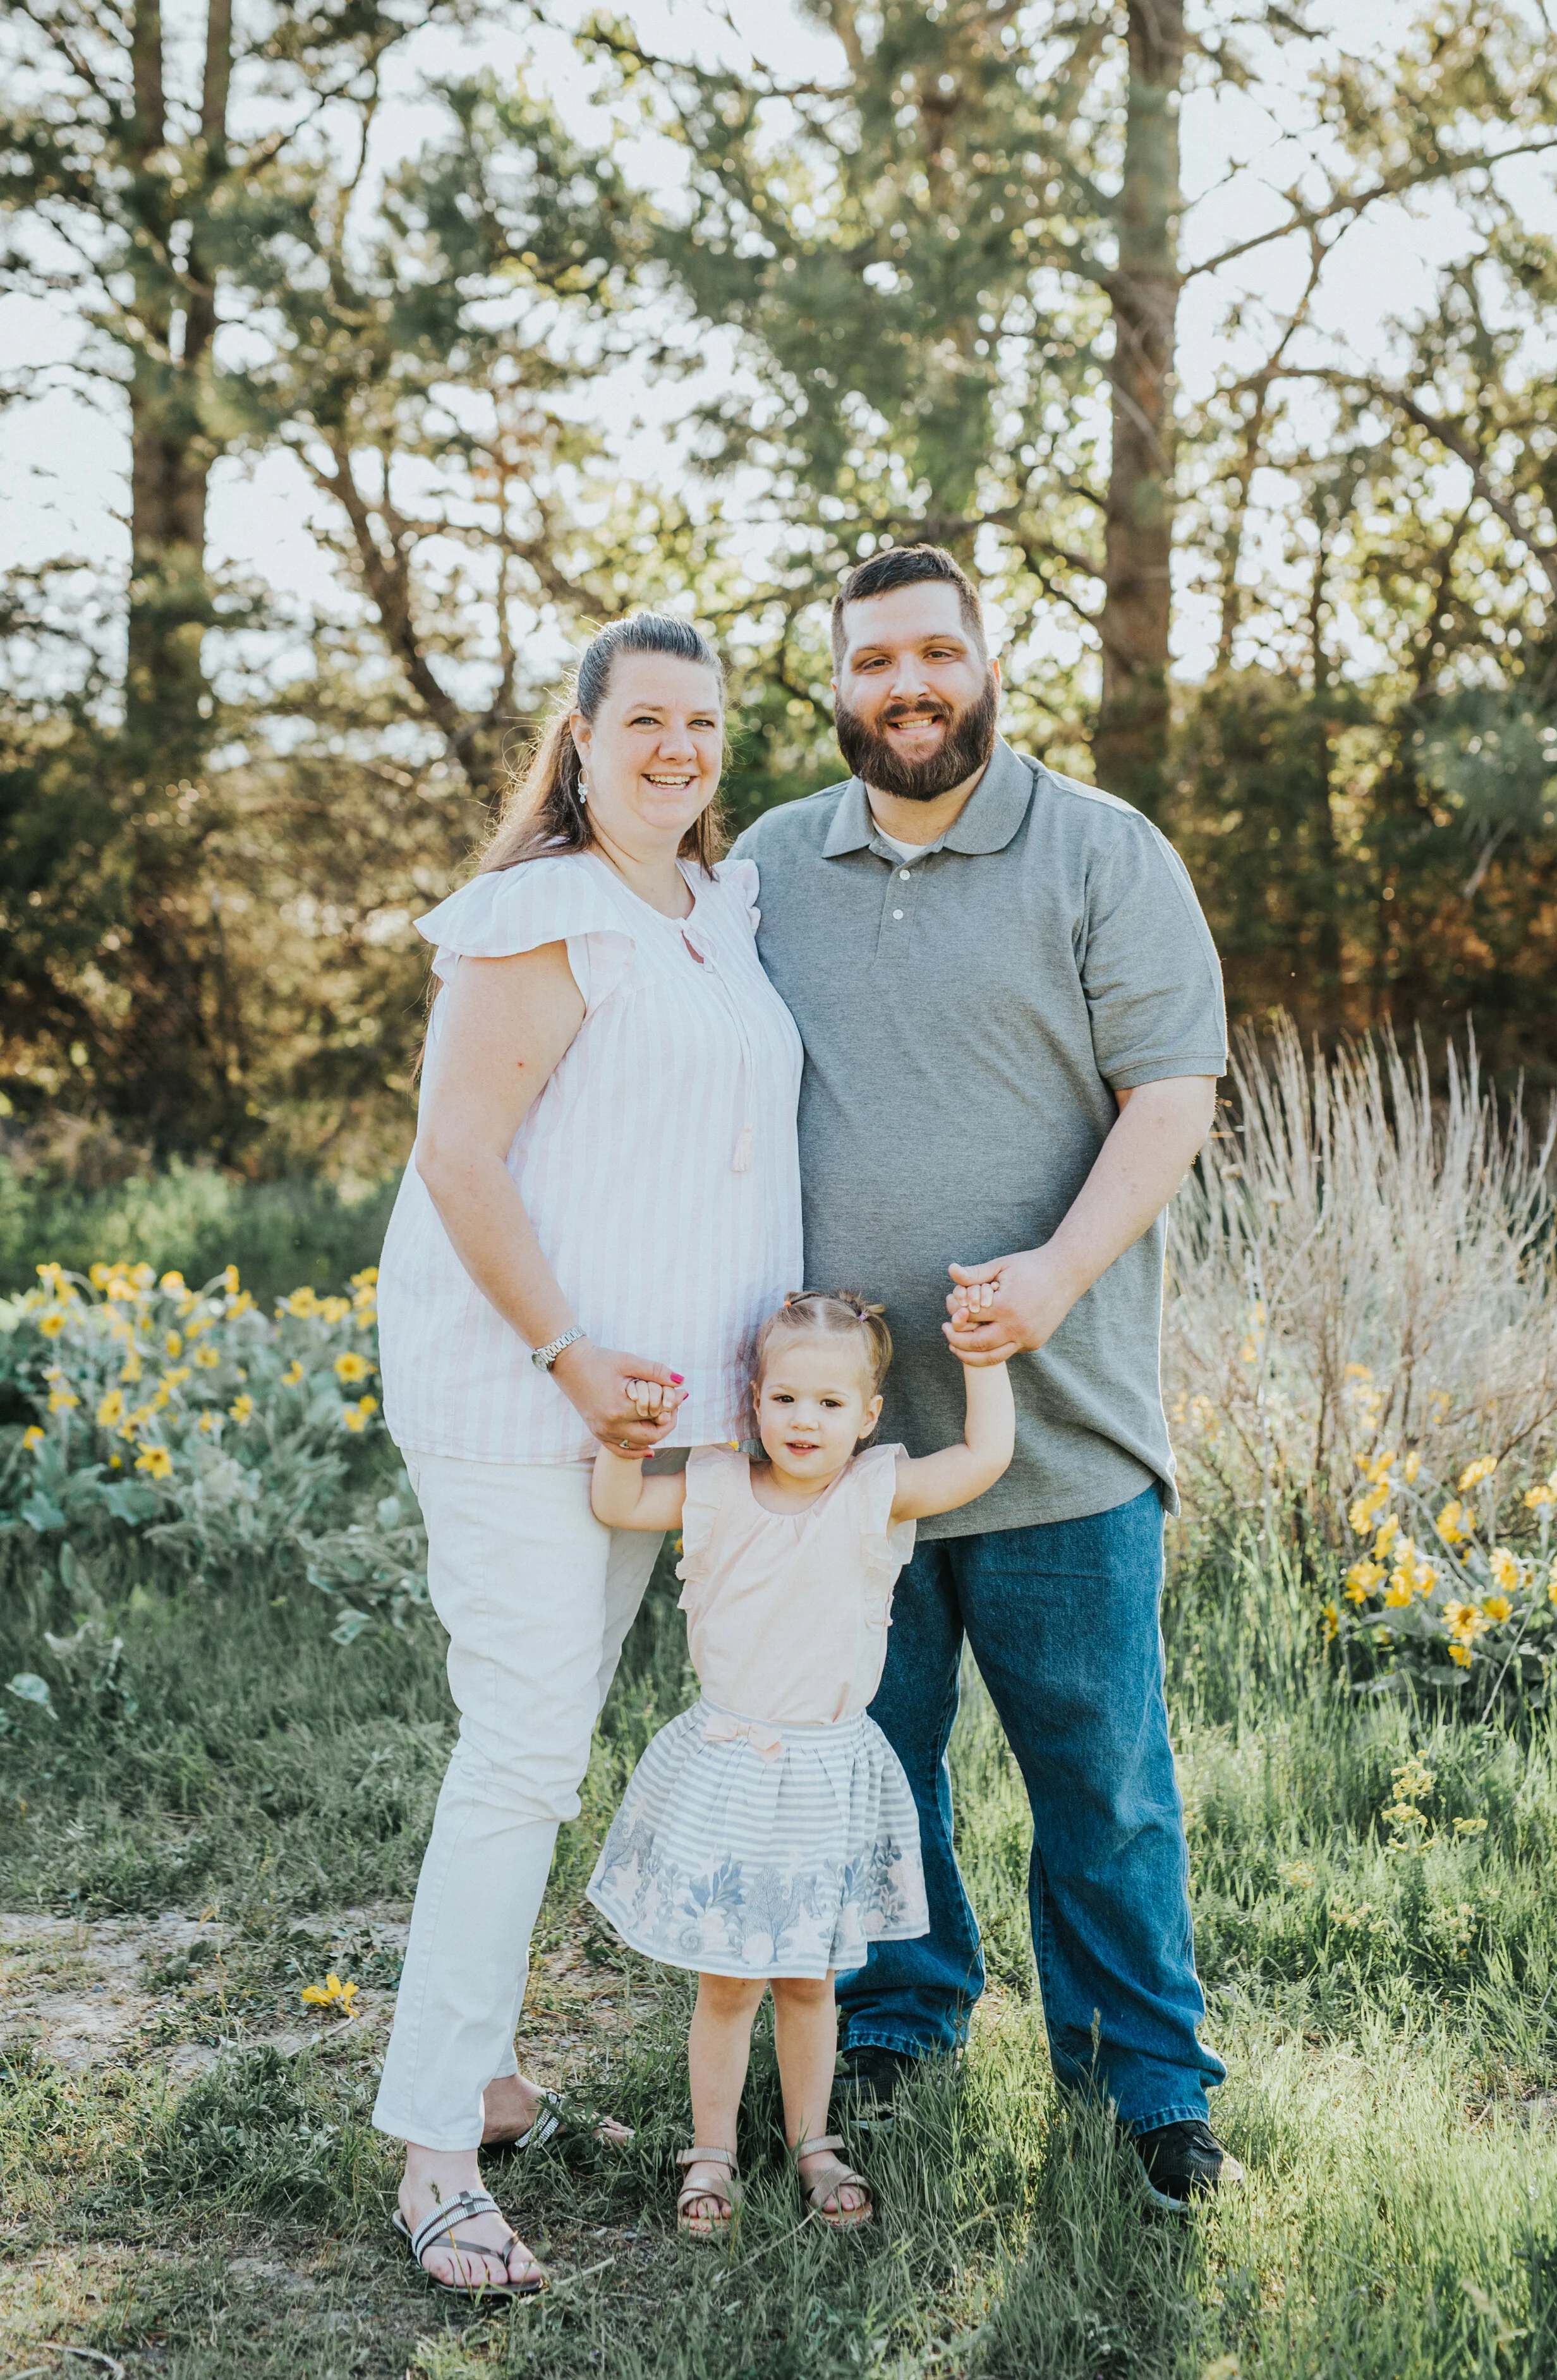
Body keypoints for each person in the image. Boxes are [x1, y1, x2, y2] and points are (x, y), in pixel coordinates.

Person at [733, 545, 1240, 2214]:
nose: (908, 685)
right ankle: (898, 2018)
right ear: (835, 686)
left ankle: (1143, 2076)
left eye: (935, 652)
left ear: (985, 662)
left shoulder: (1101, 849)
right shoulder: (767, 864)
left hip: (1059, 1424)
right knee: (869, 1762)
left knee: (1100, 1776)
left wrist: (1054, 1275)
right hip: (833, 1450)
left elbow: (1169, 1093)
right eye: (875, 660)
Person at [372, 613, 803, 2295]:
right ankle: (432, 2148)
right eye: (643, 721)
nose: (678, 748)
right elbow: (458, 1156)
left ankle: (483, 2072)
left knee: (543, 1743)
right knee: (521, 1755)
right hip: (519, 1400)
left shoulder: (713, 909)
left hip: (654, 1416)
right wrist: (566, 1350)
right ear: (578, 739)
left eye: (703, 722)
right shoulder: (540, 911)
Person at [585, 1290, 1015, 2238]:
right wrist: (627, 1433)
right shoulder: (716, 1488)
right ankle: (712, 2149)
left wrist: (984, 1358)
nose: (803, 1420)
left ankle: (813, 2141)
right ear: (754, 1401)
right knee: (729, 1983)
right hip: (733, 1770)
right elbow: (617, 1501)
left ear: (867, 1416)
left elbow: (984, 1459)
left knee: (813, 1979)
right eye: (784, 1398)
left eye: (829, 1403)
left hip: (825, 1777)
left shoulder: (873, 1494)